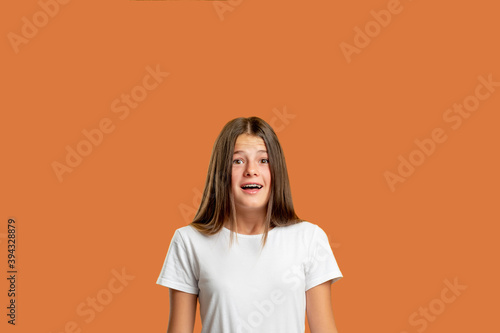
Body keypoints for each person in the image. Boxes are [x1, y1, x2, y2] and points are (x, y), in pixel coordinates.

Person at [156, 116, 343, 333]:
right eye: (238, 161)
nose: (251, 170)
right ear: (221, 172)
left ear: (277, 170)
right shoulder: (189, 241)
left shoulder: (309, 238)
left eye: (264, 160)